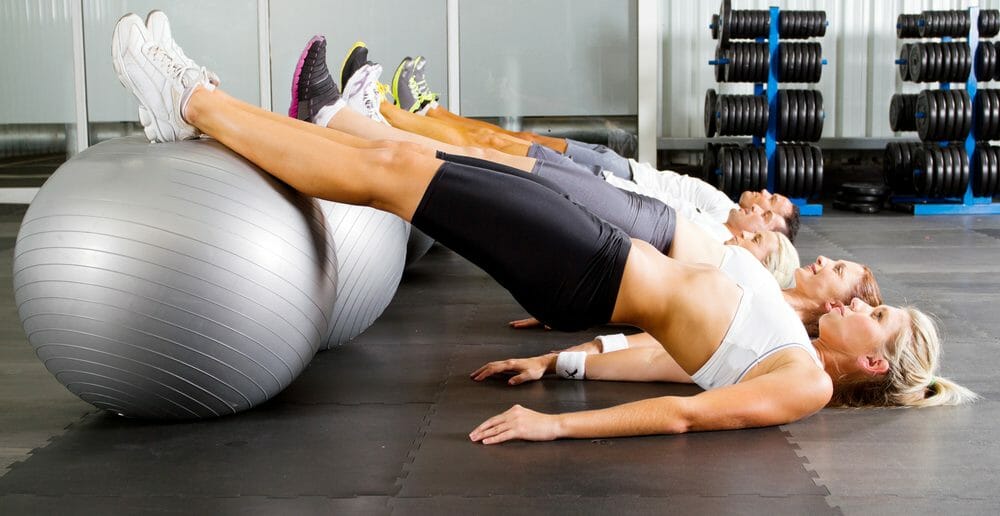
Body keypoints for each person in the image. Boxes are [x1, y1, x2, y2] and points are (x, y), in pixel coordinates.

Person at [110, 14, 976, 445]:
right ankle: (229, 110)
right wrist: (561, 364)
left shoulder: (808, 386)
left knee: (399, 175)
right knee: (411, 169)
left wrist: (556, 425)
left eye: (882, 315)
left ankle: (191, 101)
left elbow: (686, 415)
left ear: (870, 359)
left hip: (591, 271)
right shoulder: (787, 341)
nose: (871, 301)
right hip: (599, 262)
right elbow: (672, 360)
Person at [379, 52, 800, 241]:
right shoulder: (721, 208)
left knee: (493, 151)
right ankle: (423, 113)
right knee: (506, 142)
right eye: (771, 200)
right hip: (616, 174)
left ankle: (395, 117)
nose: (761, 203)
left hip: (608, 185)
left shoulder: (715, 234)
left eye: (768, 213)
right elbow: (668, 192)